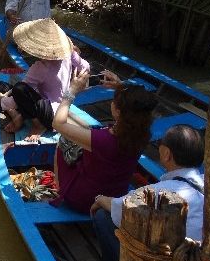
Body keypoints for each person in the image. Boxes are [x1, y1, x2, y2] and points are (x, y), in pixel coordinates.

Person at [89, 124, 205, 261]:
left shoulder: (161, 191)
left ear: (166, 153)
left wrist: (100, 199)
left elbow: (119, 209)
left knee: (102, 216)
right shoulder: (209, 187)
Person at [51, 68, 157, 215]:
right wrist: (120, 87)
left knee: (63, 140)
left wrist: (71, 91)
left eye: (114, 101)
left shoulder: (104, 140)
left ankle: (60, 189)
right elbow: (136, 107)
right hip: (116, 195)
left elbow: (58, 123)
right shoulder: (143, 133)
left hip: (84, 200)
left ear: (118, 112)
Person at [0, 18, 90, 140]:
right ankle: (18, 115)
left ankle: (37, 125)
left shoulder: (39, 67)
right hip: (61, 109)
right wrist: (77, 74)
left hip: (51, 117)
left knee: (19, 89)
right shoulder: (69, 54)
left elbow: (19, 95)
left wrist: (3, 100)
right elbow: (86, 66)